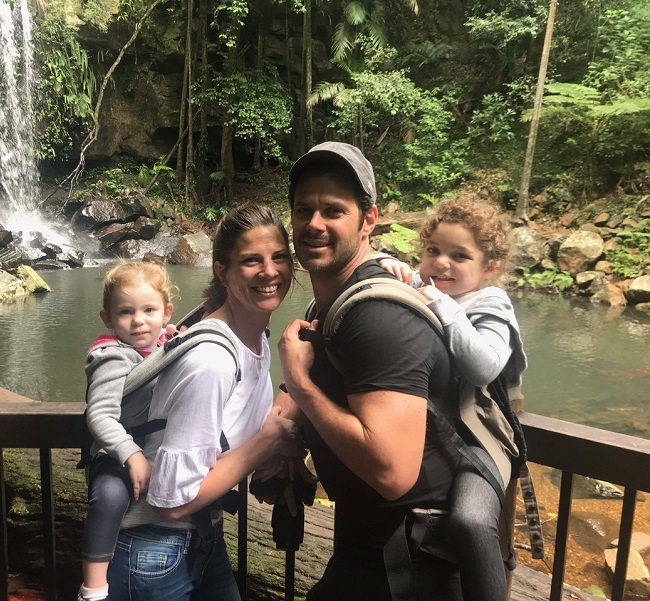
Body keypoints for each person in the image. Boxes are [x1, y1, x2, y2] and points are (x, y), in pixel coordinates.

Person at [277, 141, 465, 600]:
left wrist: (301, 386)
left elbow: (391, 470)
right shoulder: (332, 303)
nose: (314, 224)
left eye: (333, 210)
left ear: (368, 219)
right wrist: (281, 431)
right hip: (370, 547)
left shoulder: (378, 316)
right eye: (304, 210)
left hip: (412, 565)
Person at [107, 202, 305, 601]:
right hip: (153, 550)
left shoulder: (256, 337)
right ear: (222, 271)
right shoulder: (211, 360)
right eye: (251, 260)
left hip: (201, 538)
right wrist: (266, 443)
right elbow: (171, 501)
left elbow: (226, 434)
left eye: (279, 257)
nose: (270, 271)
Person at [377, 194, 528, 601]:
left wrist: (440, 302)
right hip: (433, 437)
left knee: (471, 521)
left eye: (459, 255)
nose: (441, 263)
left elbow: (484, 366)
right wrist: (388, 267)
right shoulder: (421, 286)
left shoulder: (490, 301)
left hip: (481, 443)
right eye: (433, 250)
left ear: (489, 267)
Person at [78, 261, 175, 601]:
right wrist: (130, 454)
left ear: (166, 313)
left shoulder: (163, 341)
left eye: (149, 310)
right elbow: (101, 415)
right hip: (117, 453)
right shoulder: (113, 357)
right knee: (109, 497)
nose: (138, 321)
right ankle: (93, 587)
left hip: (153, 447)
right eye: (126, 312)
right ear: (108, 318)